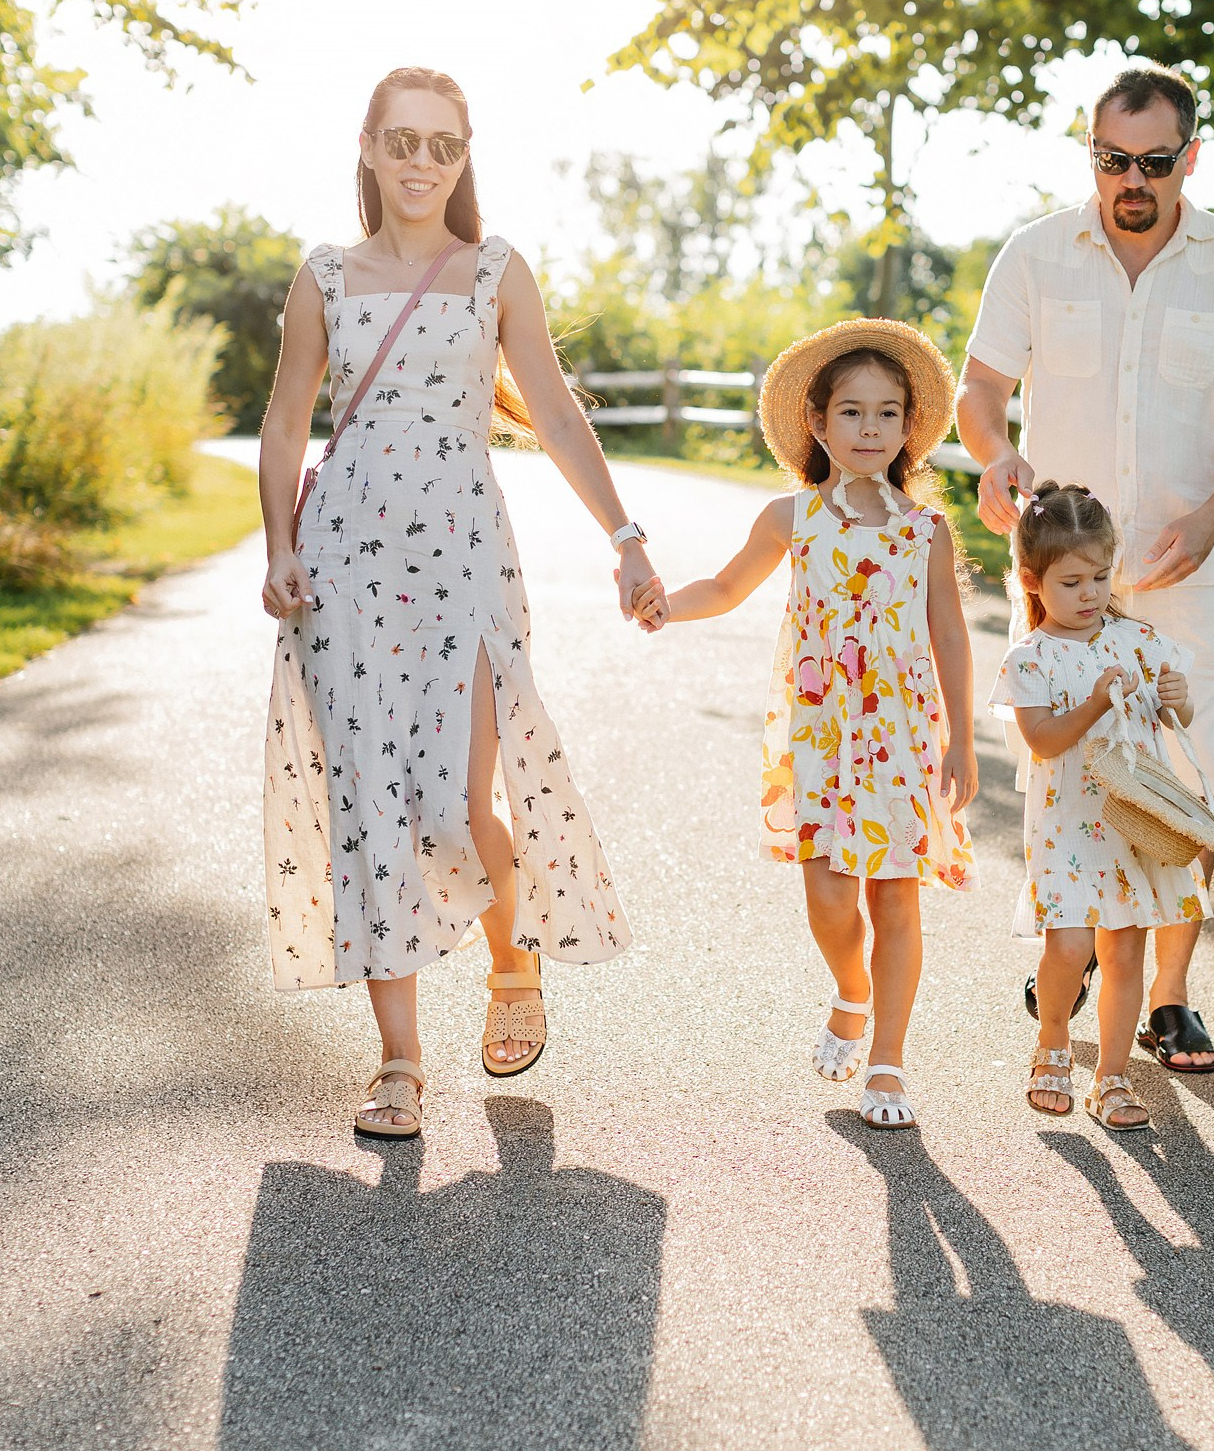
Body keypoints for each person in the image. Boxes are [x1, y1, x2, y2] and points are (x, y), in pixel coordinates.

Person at [257, 66, 662, 1141]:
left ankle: (511, 957)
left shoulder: (494, 272)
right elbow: (286, 422)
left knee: (448, 805)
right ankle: (399, 1062)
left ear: (464, 154)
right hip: (342, 563)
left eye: (442, 145)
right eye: (402, 142)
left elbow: (561, 418)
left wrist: (624, 538)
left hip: (462, 561)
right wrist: (279, 546)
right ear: (368, 148)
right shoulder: (326, 277)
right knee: (369, 809)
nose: (421, 163)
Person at [957, 60, 1214, 1074]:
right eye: (1116, 161)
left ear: (1190, 157)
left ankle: (1165, 997)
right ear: (1093, 154)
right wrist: (995, 456)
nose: (1134, 182)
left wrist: (1211, 517)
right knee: (1063, 772)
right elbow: (982, 387)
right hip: (1062, 577)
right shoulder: (1034, 255)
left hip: (1184, 572)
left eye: (1156, 162)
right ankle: (1078, 953)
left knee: (1190, 785)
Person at [631, 321, 977, 1131]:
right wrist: (665, 607)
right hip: (822, 738)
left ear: (908, 428)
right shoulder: (793, 518)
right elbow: (723, 586)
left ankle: (887, 1058)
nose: (869, 430)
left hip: (901, 737)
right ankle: (851, 990)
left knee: (897, 898)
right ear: (818, 425)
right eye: (851, 413)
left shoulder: (926, 531)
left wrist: (961, 737)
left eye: (887, 414)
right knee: (828, 898)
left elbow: (951, 635)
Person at [993, 484, 1206, 1131]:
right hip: (1068, 827)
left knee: (1124, 951)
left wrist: (1176, 696)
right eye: (1072, 581)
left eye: (1099, 576)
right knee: (1069, 947)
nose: (1089, 593)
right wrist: (1090, 703)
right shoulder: (1031, 657)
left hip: (1131, 825)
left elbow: (1180, 714)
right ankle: (1053, 1040)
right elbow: (1042, 739)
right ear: (1033, 581)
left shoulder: (1138, 639)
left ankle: (1112, 1076)